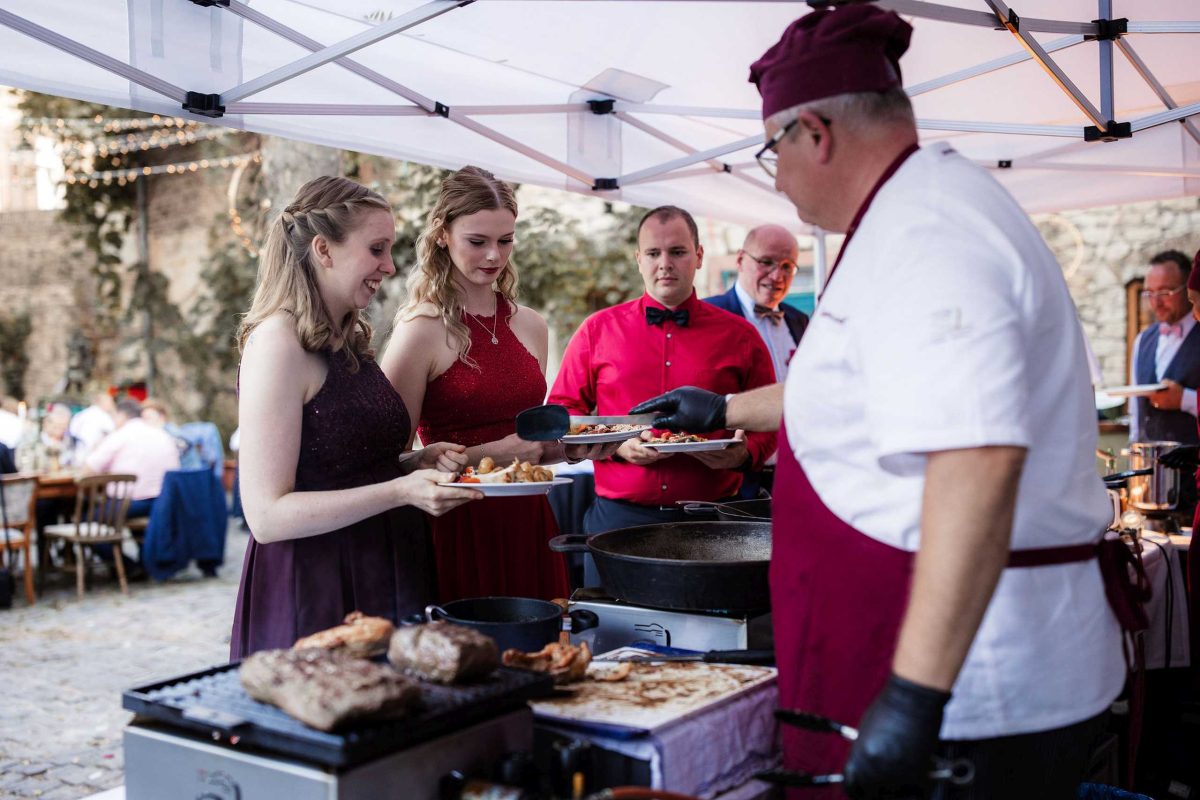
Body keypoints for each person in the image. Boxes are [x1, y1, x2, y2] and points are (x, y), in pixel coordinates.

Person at [632, 7, 1124, 798]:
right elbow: (855, 390)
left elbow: (978, 457)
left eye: (772, 150)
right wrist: (721, 413)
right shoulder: (901, 218)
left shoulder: (931, 232)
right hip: (925, 659)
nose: (778, 177)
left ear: (815, 134)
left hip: (972, 693)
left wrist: (916, 694)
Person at [230, 175, 481, 659]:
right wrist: (399, 491)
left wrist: (413, 463)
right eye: (377, 249)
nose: (388, 266)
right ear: (324, 249)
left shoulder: (349, 339)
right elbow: (266, 517)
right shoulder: (276, 344)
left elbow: (345, 464)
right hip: (318, 587)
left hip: (386, 568)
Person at [381, 166, 615, 603]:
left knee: (542, 651)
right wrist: (486, 456)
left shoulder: (531, 325)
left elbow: (528, 443)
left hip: (529, 519)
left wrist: (572, 448)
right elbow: (391, 462)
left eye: (505, 241)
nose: (494, 256)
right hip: (454, 524)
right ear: (442, 235)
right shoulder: (420, 329)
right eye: (478, 241)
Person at [547, 205, 776, 536]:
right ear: (639, 259)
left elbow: (771, 421)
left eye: (678, 252)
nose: (665, 263)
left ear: (698, 255)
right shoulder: (596, 330)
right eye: (654, 253)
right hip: (618, 520)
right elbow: (563, 412)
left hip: (712, 519)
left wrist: (743, 455)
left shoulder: (741, 336)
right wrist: (615, 445)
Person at [705, 224, 808, 496]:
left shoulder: (799, 320)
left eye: (787, 266)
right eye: (767, 262)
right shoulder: (708, 315)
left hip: (794, 473)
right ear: (740, 260)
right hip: (733, 478)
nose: (777, 275)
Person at [84, 398, 181, 521]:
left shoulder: (121, 435)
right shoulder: (162, 434)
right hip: (164, 503)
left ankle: (111, 540)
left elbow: (89, 468)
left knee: (86, 519)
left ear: (120, 415)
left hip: (131, 503)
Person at [68, 391, 116, 458]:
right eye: (110, 401)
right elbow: (115, 435)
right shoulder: (103, 415)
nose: (112, 404)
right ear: (100, 402)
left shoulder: (80, 414)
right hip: (92, 456)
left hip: (75, 454)